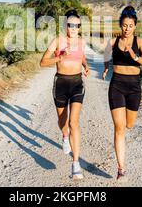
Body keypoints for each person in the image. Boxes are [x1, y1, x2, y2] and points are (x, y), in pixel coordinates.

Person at [102, 6, 142, 181]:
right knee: (119, 128)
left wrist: (136, 57)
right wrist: (106, 67)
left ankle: (126, 128)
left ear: (135, 26)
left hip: (133, 88)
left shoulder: (140, 42)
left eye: (130, 25)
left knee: (129, 125)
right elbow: (106, 56)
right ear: (120, 25)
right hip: (116, 85)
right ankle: (121, 168)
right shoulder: (112, 42)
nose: (127, 29)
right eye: (124, 25)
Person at [40, 10, 90, 180]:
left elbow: (81, 56)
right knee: (63, 122)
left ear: (79, 27)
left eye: (77, 25)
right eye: (70, 25)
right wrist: (60, 57)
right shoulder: (58, 41)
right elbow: (43, 62)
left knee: (74, 122)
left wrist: (86, 65)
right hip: (60, 83)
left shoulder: (81, 42)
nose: (74, 28)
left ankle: (76, 164)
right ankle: (65, 135)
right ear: (65, 26)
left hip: (77, 83)